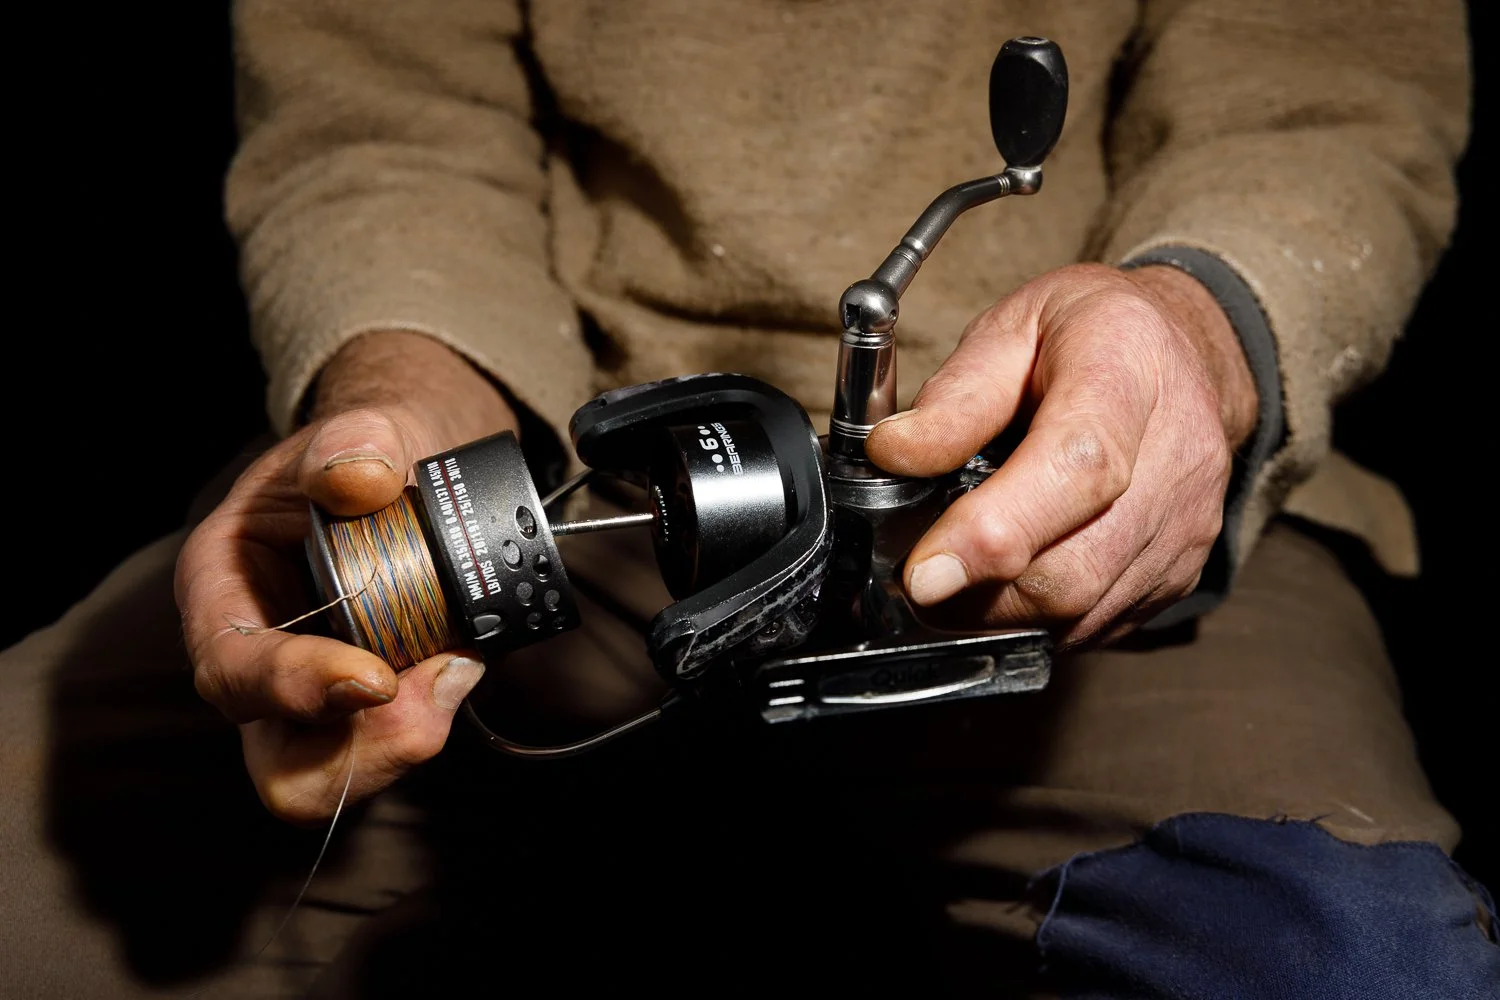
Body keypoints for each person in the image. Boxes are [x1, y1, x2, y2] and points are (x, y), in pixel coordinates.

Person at [3, 1, 1495, 996]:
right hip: (584, 472)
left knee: (1342, 955)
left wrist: (1199, 342)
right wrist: (405, 395)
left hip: (1095, 513)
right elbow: (384, 129)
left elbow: (1322, 107)